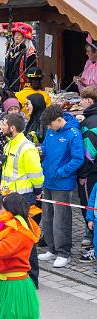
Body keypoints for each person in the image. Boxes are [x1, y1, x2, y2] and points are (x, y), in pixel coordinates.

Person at [37, 106, 84, 268]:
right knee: (48, 216)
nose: (49, 128)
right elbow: (47, 148)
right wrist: (40, 150)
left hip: (62, 183)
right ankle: (52, 248)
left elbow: (78, 159)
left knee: (61, 218)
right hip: (48, 180)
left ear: (59, 120)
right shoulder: (51, 131)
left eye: (50, 125)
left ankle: (64, 252)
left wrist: (61, 172)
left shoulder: (73, 134)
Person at [0, 113, 43, 286]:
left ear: (12, 128)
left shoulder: (27, 147)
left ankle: (32, 277)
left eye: (4, 124)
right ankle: (16, 271)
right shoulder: (9, 145)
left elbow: (36, 174)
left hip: (23, 199)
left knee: (26, 237)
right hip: (10, 198)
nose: (1, 127)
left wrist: (38, 190)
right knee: (11, 235)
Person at [78, 87, 97, 259]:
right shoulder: (90, 119)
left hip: (91, 173)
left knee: (89, 206)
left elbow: (89, 153)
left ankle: (90, 242)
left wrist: (82, 174)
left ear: (89, 101)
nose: (80, 102)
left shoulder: (91, 122)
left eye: (82, 99)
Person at [4, 22, 37, 92]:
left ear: (25, 37)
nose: (16, 36)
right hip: (9, 85)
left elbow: (31, 74)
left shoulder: (30, 53)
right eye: (15, 34)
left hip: (21, 87)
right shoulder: (11, 50)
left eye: (19, 35)